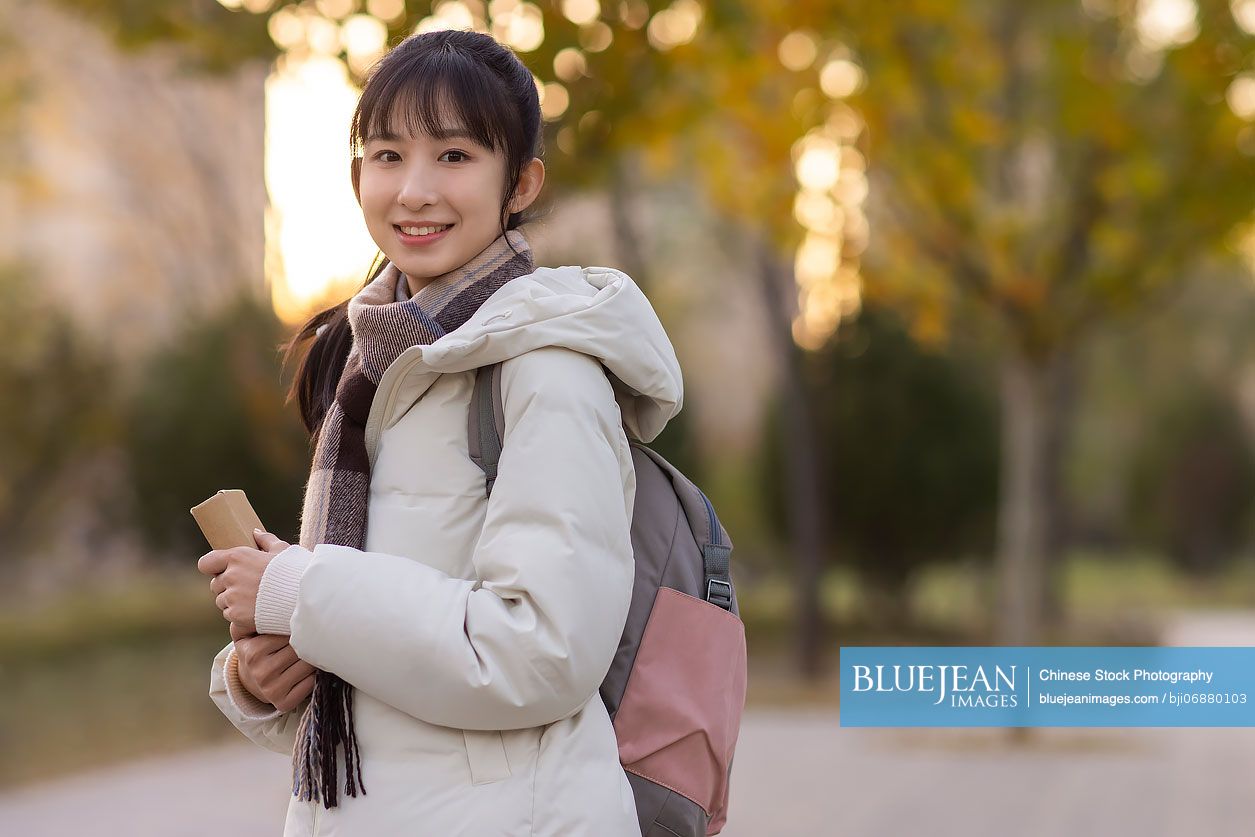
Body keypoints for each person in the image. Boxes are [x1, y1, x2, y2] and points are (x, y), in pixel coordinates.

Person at [196, 28, 682, 837]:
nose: (414, 190)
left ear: (519, 182)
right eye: (387, 156)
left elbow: (541, 652)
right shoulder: (368, 373)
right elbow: (390, 693)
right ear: (358, 176)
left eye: (454, 156)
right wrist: (265, 674)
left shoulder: (546, 371)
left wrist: (303, 590)